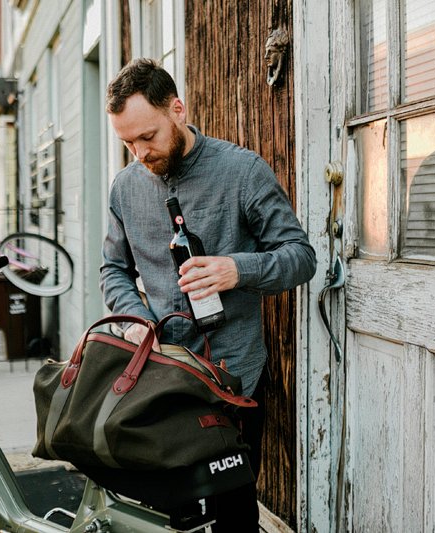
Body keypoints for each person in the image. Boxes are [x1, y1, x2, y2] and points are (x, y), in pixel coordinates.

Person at [100, 58, 317, 531]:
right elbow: (114, 271)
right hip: (161, 375)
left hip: (233, 378)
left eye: (148, 136)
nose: (139, 152)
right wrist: (141, 326)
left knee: (234, 513)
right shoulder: (123, 188)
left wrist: (236, 269)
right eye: (127, 142)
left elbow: (301, 256)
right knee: (169, 512)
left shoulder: (243, 171)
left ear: (177, 109)